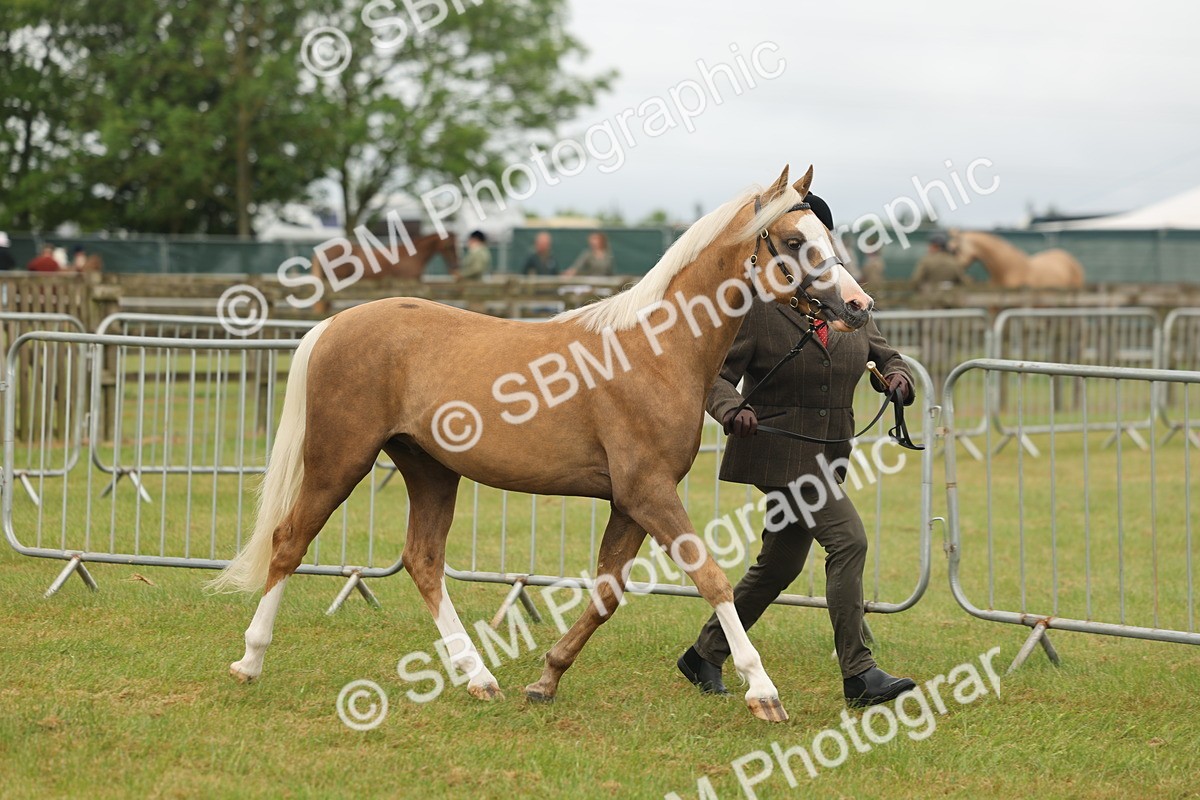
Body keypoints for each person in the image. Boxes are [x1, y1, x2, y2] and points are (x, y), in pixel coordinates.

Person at [677, 192, 918, 709]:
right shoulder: (758, 308)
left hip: (829, 453)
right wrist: (731, 410)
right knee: (848, 540)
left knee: (780, 565)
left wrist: (896, 377)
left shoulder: (846, 301)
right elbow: (714, 378)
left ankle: (704, 654)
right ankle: (859, 674)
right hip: (777, 451)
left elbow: (885, 353)